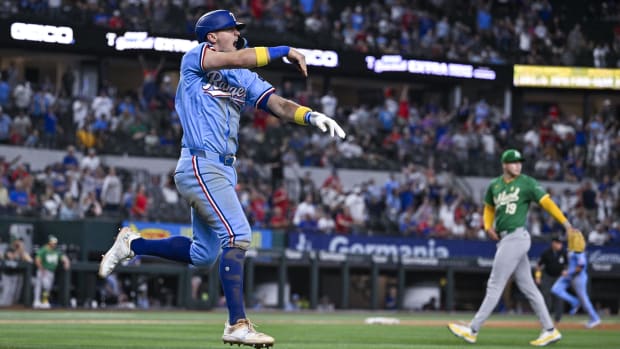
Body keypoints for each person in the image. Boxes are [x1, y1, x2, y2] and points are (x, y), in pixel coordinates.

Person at [99, 9, 345, 348]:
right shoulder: (195, 58)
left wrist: (311, 115)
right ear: (213, 36)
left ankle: (132, 244)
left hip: (223, 169)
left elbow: (280, 106)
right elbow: (243, 56)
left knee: (202, 255)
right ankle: (237, 323)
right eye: (231, 30)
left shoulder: (242, 76)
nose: (237, 34)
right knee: (239, 234)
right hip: (200, 162)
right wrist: (284, 49)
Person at [448, 149, 580, 347]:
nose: (518, 165)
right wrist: (487, 225)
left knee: (494, 284)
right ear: (504, 165)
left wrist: (566, 223)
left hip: (516, 237)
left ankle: (472, 329)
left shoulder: (526, 182)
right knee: (529, 288)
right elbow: (489, 208)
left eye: (520, 162)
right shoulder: (495, 185)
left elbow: (547, 203)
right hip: (505, 239)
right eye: (514, 162)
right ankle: (550, 330)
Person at [551, 230, 601, 328]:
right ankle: (574, 301)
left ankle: (595, 318)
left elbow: (581, 266)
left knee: (584, 299)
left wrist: (568, 272)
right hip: (570, 276)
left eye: (571, 236)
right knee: (555, 289)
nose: (569, 237)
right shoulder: (571, 249)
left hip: (579, 277)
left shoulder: (578, 250)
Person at [535, 236, 567, 322]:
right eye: (558, 243)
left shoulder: (564, 252)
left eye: (560, 243)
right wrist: (538, 277)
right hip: (547, 276)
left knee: (559, 297)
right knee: (546, 296)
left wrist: (566, 271)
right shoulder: (546, 253)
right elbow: (538, 266)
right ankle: (545, 317)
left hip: (558, 277)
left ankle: (558, 318)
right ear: (553, 243)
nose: (560, 245)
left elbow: (568, 265)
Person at [33, 235, 70, 308]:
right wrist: (41, 268)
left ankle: (44, 301)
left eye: (55, 243)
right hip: (43, 271)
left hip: (50, 272)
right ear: (49, 242)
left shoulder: (56, 251)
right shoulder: (44, 249)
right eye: (53, 243)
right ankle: (36, 301)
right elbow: (37, 260)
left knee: (47, 287)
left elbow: (64, 257)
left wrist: (67, 262)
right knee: (39, 286)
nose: (54, 244)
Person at [0, 239, 33, 306]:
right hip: (7, 273)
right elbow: (11, 257)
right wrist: (19, 250)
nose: (20, 245)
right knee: (7, 290)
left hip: (15, 274)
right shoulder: (9, 248)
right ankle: (2, 305)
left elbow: (30, 260)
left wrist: (22, 251)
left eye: (21, 243)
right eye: (18, 243)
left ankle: (8, 305)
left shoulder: (22, 251)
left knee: (12, 292)